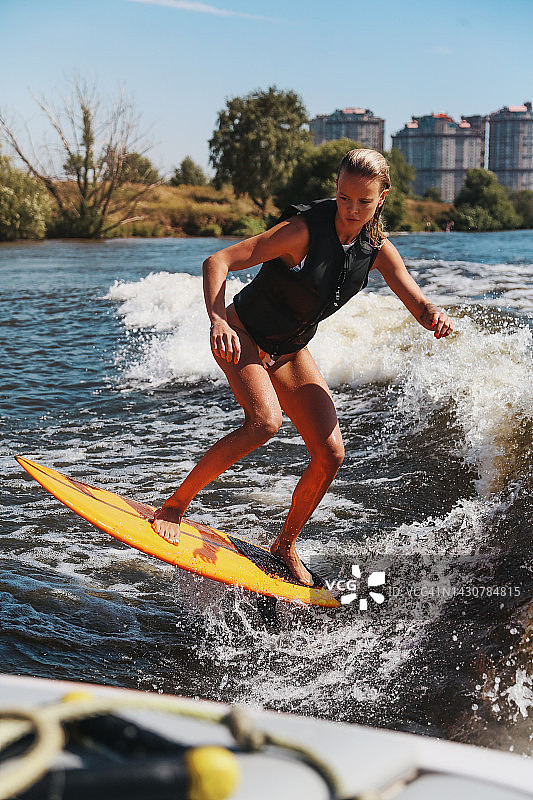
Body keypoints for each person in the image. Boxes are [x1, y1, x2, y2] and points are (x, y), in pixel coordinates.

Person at [152, 149, 453, 586]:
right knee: (264, 422)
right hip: (245, 335)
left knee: (331, 454)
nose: (351, 209)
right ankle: (175, 506)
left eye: (363, 202)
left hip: (291, 349)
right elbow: (217, 261)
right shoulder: (301, 232)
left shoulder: (376, 250)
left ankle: (285, 545)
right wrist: (217, 318)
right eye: (344, 196)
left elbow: (416, 300)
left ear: (381, 198)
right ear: (336, 188)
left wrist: (433, 318)